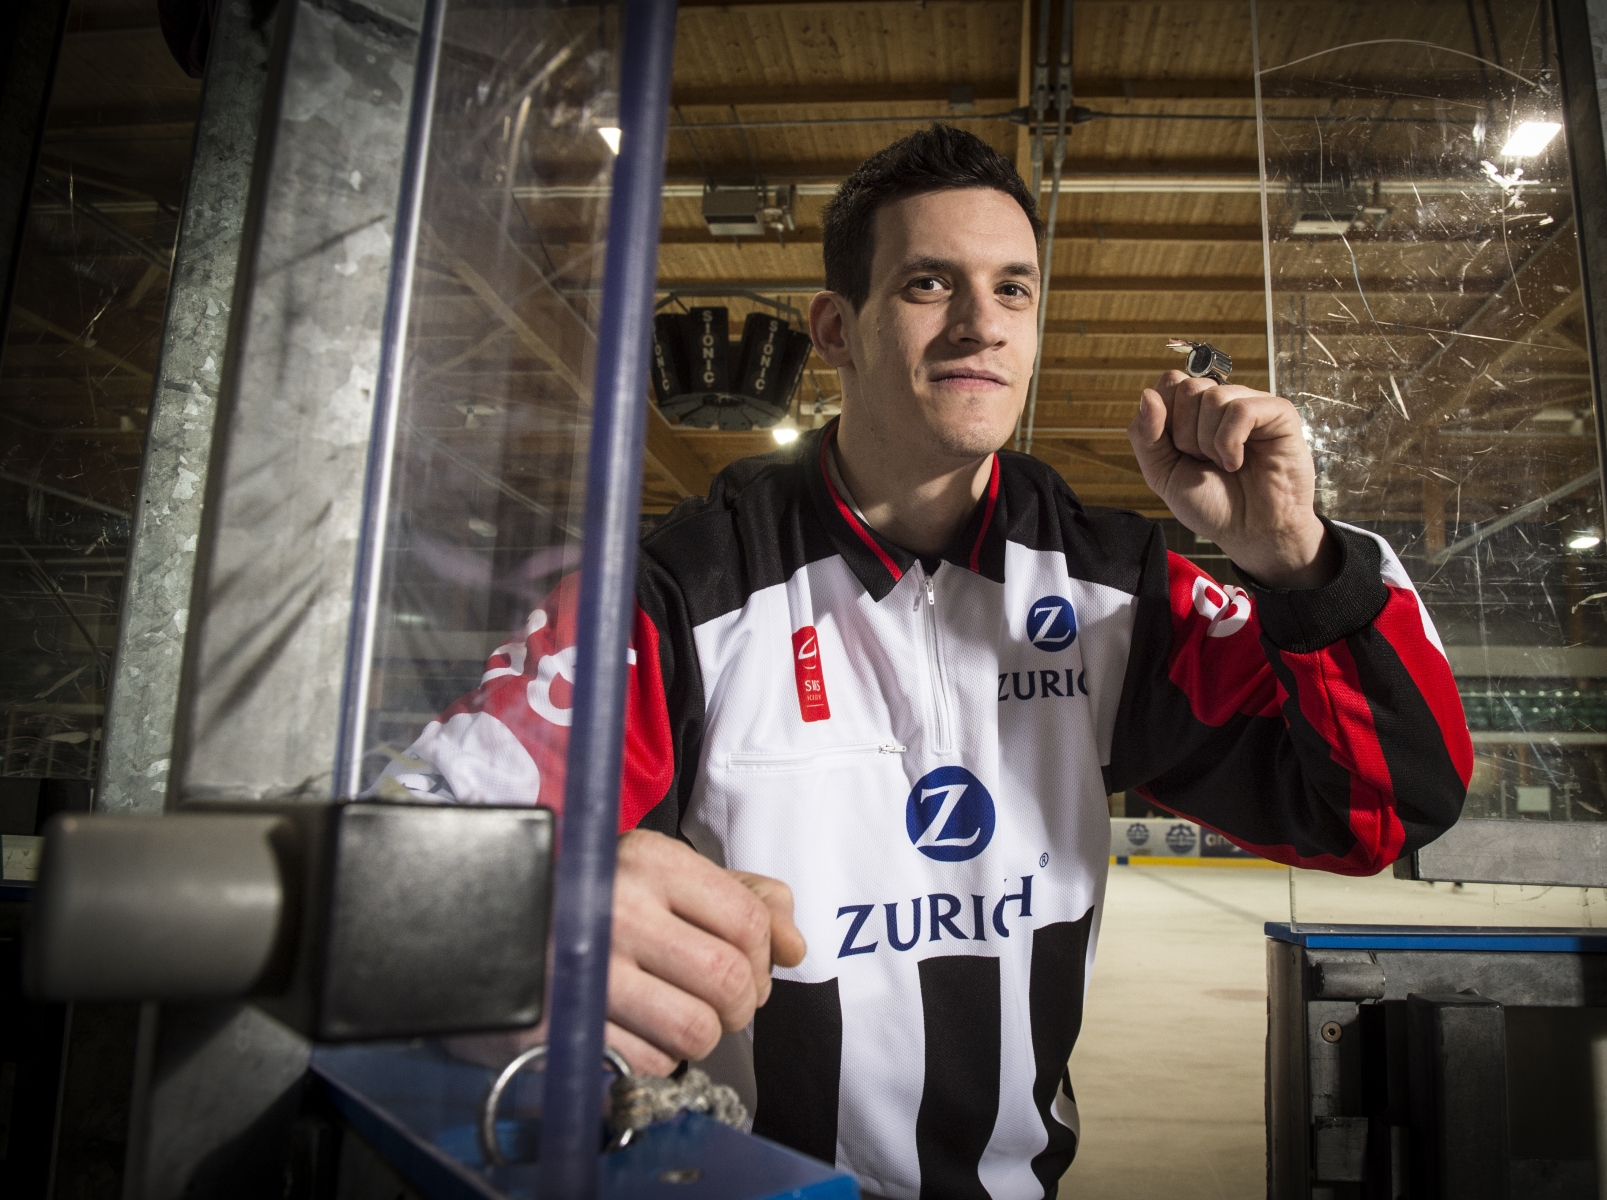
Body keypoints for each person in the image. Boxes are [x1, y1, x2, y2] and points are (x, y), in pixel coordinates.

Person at [380, 125, 1472, 1199]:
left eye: (1012, 290)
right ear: (833, 328)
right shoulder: (676, 590)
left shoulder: (1116, 585)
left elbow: (1375, 810)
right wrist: (537, 900)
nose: (978, 326)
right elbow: (413, 847)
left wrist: (1295, 560)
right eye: (926, 285)